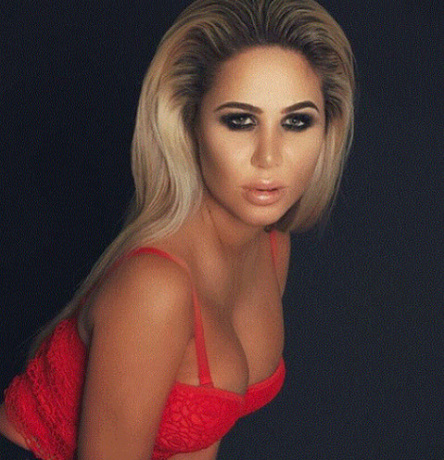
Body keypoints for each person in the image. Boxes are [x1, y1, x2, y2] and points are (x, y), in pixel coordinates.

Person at [0, 0, 354, 458]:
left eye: (296, 121)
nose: (269, 157)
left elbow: (201, 435)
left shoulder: (271, 246)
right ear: (189, 124)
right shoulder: (156, 286)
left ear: (327, 129)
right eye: (240, 121)